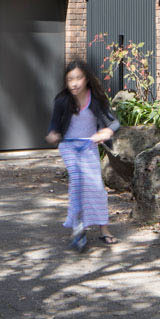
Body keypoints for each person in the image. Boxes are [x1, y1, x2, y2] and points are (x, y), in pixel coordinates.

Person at [46, 57, 119, 251]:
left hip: (88, 146)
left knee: (96, 187)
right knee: (78, 182)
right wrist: (53, 134)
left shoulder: (95, 100)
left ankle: (104, 229)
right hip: (69, 146)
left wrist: (107, 131)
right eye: (70, 79)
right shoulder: (62, 101)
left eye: (78, 78)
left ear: (86, 79)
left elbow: (114, 122)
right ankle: (78, 228)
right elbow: (54, 124)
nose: (74, 83)